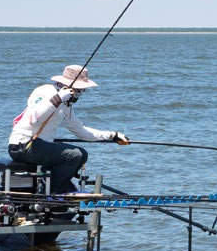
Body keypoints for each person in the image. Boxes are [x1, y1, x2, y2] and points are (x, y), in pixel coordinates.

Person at [7, 64, 129, 193]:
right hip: (24, 145)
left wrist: (112, 135)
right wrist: (58, 98)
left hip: (38, 146)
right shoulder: (46, 91)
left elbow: (82, 132)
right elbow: (34, 119)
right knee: (76, 155)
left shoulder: (66, 106)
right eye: (80, 90)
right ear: (72, 88)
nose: (81, 94)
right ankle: (50, 193)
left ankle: (56, 188)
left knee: (80, 155)